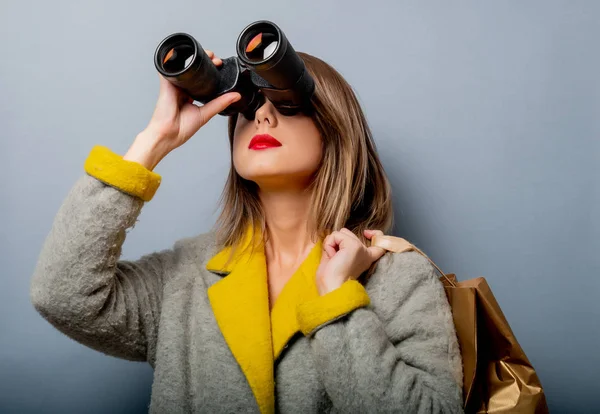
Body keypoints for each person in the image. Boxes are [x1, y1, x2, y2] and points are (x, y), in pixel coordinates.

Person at [30, 49, 463, 413]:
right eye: (249, 106)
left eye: (287, 103)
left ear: (337, 131)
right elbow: (61, 294)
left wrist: (336, 300)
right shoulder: (184, 274)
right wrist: (154, 141)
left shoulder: (399, 278)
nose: (263, 118)